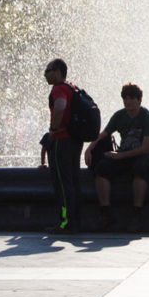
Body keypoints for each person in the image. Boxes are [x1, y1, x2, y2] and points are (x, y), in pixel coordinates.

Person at [87, 83, 149, 232]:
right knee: (101, 169)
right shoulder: (119, 116)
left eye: (132, 98)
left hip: (145, 156)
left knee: (140, 168)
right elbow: (102, 135)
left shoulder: (148, 118)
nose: (128, 102)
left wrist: (119, 156)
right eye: (125, 98)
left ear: (139, 100)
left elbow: (146, 148)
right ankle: (106, 213)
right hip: (123, 156)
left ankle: (137, 213)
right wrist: (89, 149)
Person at [41, 59, 83, 234]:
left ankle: (65, 223)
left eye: (48, 70)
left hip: (61, 140)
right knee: (72, 180)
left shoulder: (58, 88)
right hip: (74, 140)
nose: (45, 74)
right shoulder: (71, 87)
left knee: (62, 182)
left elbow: (60, 106)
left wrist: (53, 130)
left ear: (57, 71)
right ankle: (74, 221)